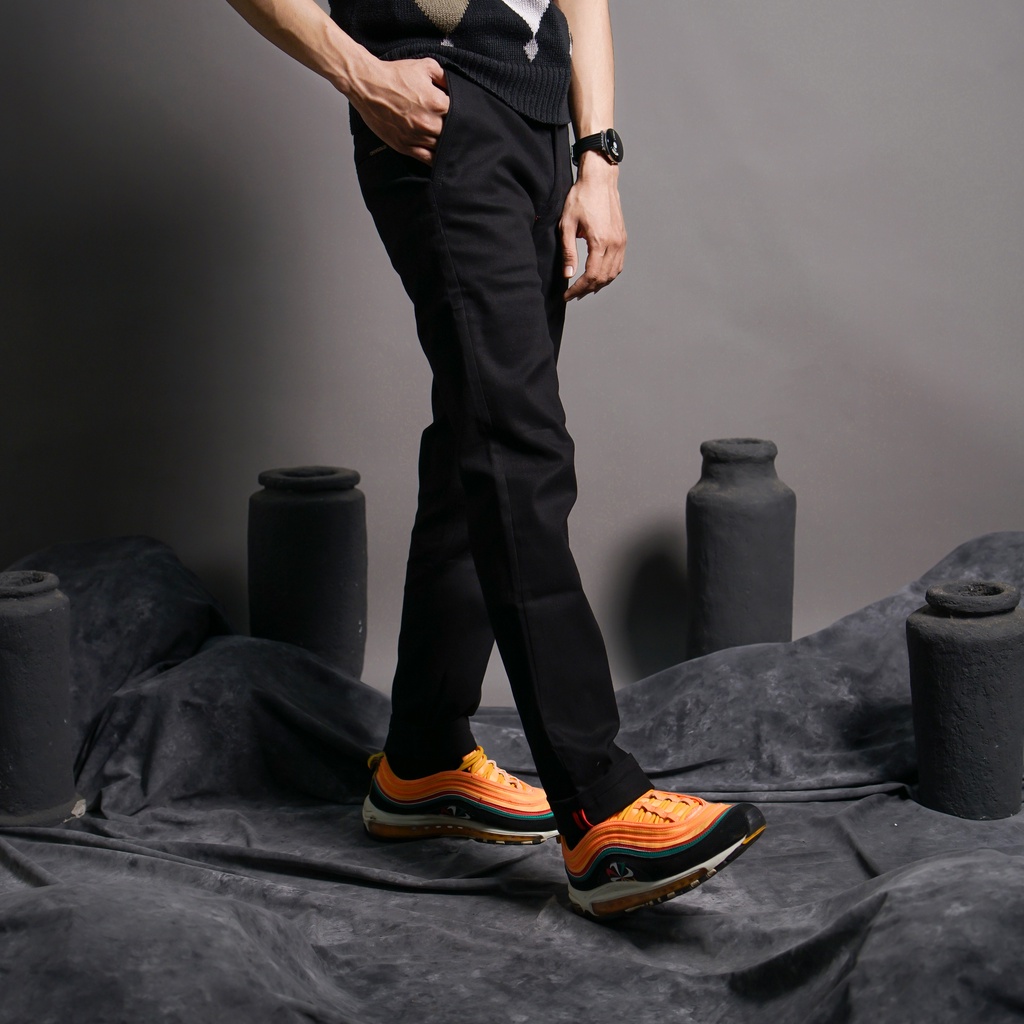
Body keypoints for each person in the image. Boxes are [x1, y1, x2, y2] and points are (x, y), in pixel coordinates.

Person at [224, 0, 765, 918]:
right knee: (518, 445)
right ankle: (599, 806)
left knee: (476, 434)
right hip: (438, 110)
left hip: (540, 119)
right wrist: (361, 76)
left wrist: (597, 157)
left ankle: (423, 760)